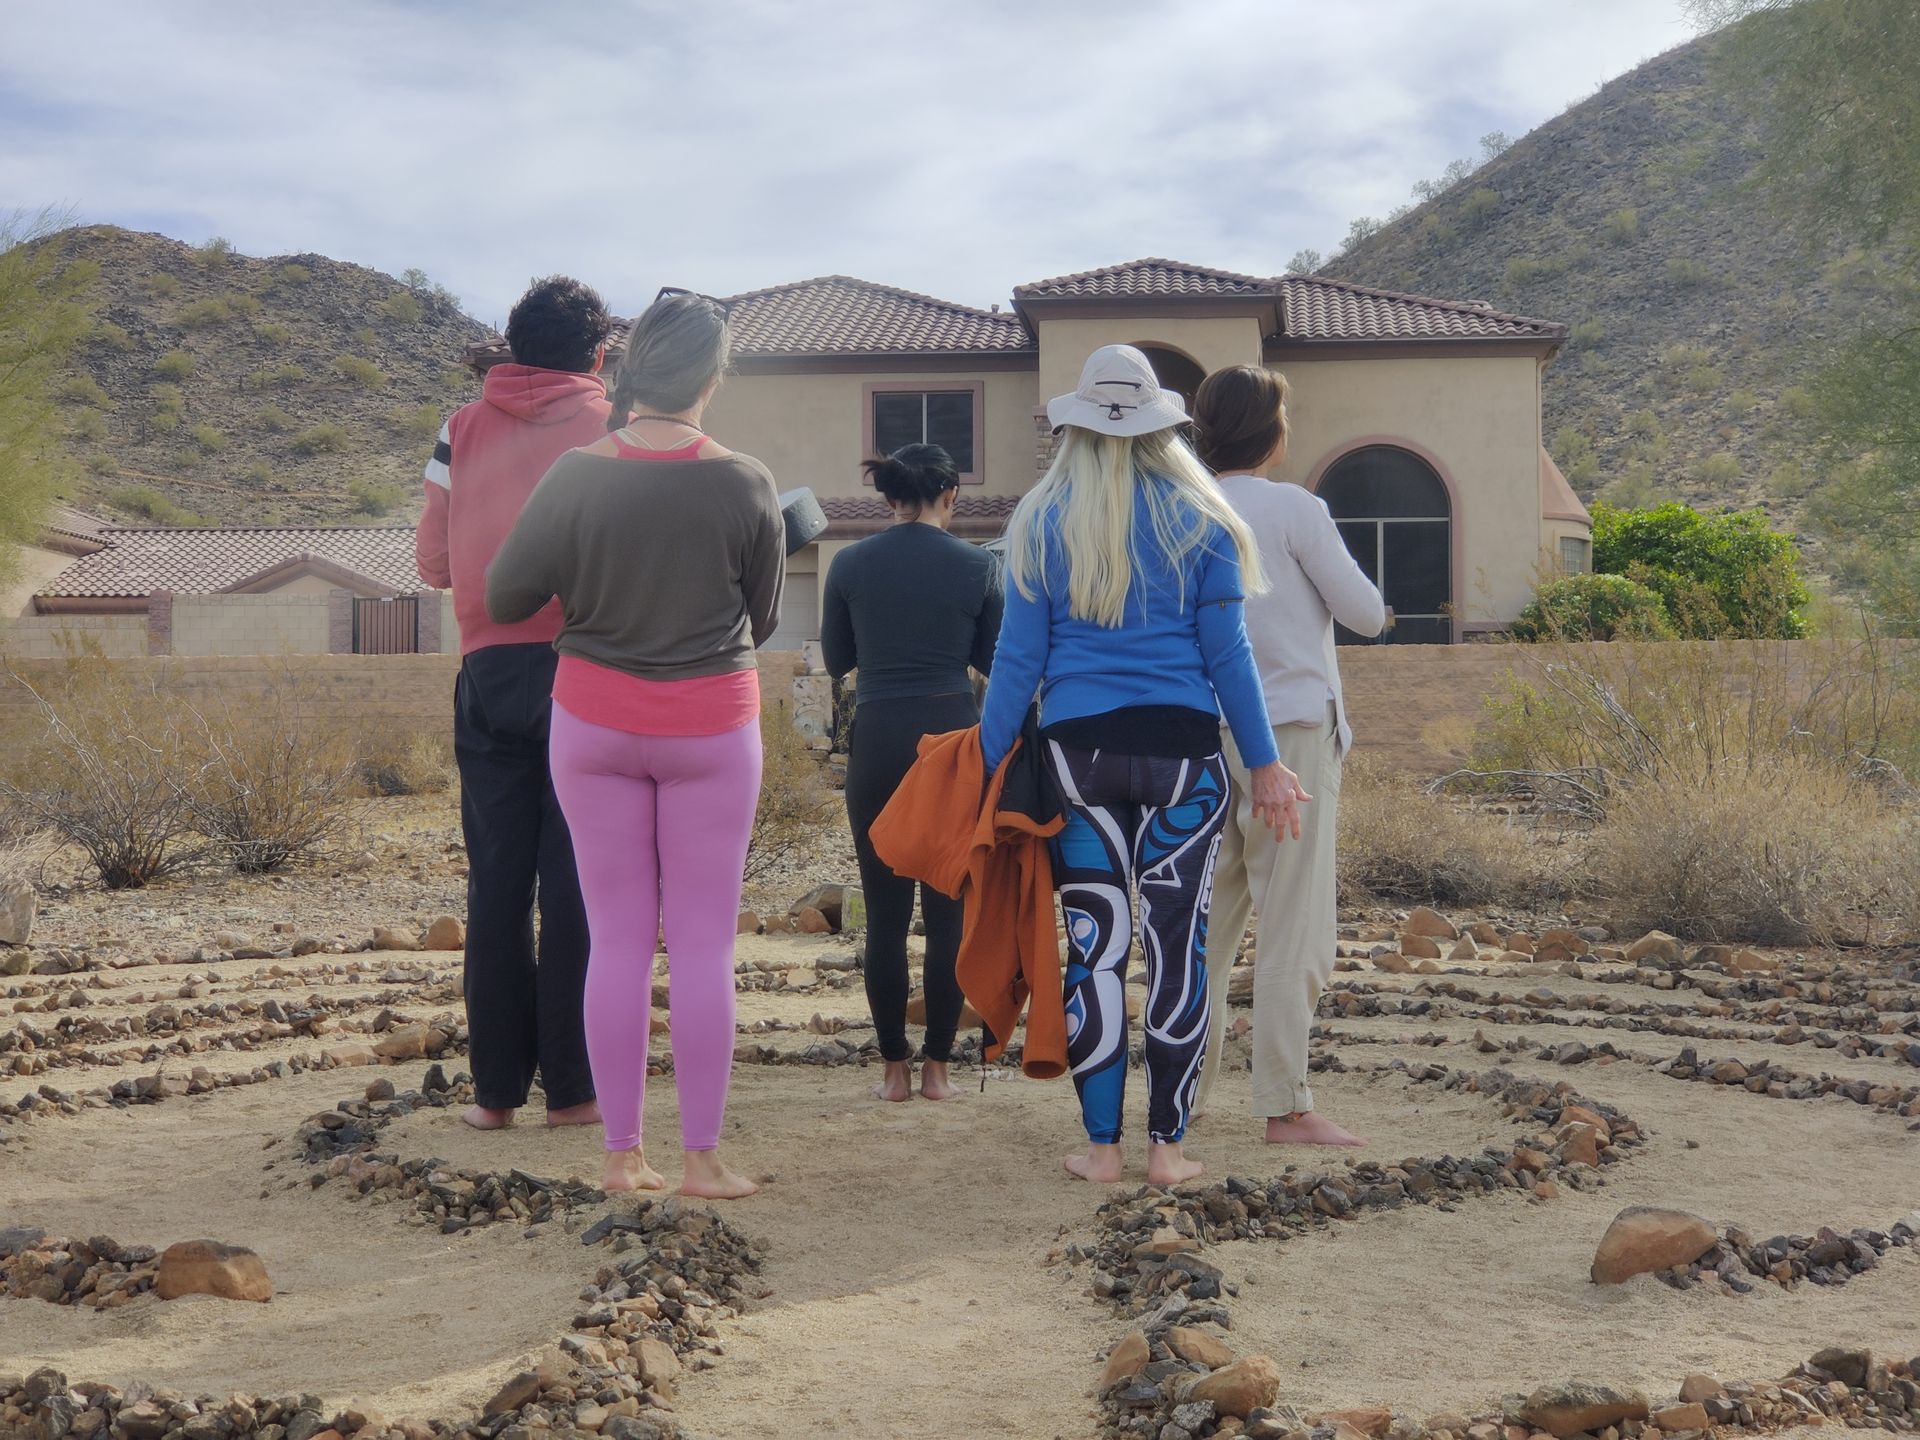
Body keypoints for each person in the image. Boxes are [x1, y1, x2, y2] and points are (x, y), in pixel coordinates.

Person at [977, 344, 1309, 1186]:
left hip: (1077, 758)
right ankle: (1168, 1148)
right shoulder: (1206, 520)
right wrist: (1265, 763)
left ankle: (1100, 1150)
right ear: (1165, 427)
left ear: (1077, 429)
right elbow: (1229, 656)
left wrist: (984, 767)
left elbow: (1017, 663)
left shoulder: (1041, 520)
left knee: (1095, 947)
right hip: (1185, 758)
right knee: (1180, 948)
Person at [486, 289, 784, 1200]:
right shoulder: (745, 482)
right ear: (713, 377)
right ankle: (701, 1160)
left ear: (626, 368)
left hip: (594, 723)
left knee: (617, 940)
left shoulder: (576, 474)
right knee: (700, 948)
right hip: (711, 726)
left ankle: (622, 1158)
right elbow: (762, 619)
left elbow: (504, 598)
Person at [414, 275, 613, 1133]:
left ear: (510, 345)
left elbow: (432, 564)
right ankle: (572, 1092)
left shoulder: (459, 429)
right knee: (576, 887)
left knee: (497, 884)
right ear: (599, 354)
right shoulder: (619, 427)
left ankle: (494, 1096)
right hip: (592, 674)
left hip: (490, 673)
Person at [1190, 363, 1386, 1147]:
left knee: (1205, 928)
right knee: (1292, 924)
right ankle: (1284, 1104)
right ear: (1272, 434)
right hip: (1292, 738)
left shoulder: (1177, 510)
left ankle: (1181, 1097)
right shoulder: (1296, 510)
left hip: (1200, 740)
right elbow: (1366, 615)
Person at [821, 444, 1002, 1103]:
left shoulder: (848, 563)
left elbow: (839, 660)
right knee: (949, 912)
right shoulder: (978, 566)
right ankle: (938, 1073)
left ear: (889, 498)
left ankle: (892, 1072)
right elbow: (993, 659)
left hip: (878, 736)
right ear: (951, 494)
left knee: (887, 917)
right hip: (953, 740)